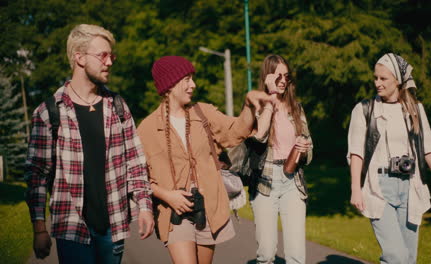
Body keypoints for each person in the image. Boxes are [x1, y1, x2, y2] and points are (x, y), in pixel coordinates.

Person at [24, 24, 154, 264]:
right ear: (79, 57)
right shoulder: (49, 112)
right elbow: (37, 175)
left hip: (113, 228)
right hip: (72, 230)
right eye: (102, 55)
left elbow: (135, 163)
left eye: (111, 55)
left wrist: (145, 206)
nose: (110, 62)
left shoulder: (118, 107)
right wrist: (39, 228)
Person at [137, 55, 276, 264]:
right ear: (170, 84)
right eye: (187, 79)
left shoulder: (203, 113)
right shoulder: (146, 129)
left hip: (208, 207)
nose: (193, 85)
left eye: (192, 78)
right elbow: (139, 178)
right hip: (174, 212)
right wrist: (167, 196)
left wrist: (248, 105)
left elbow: (236, 131)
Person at [347, 53, 431, 264]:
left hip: (410, 186)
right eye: (375, 78)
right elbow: (356, 152)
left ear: (398, 80)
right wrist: (355, 188)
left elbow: (428, 148)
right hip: (378, 186)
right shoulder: (364, 110)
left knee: (409, 258)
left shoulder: (415, 109)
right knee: (396, 256)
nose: (377, 83)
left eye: (383, 78)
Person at [248, 54, 313, 264]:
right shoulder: (256, 104)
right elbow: (259, 136)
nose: (283, 80)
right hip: (265, 182)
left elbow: (310, 150)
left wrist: (304, 148)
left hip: (292, 181)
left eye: (286, 76)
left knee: (296, 255)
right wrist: (271, 96)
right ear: (268, 77)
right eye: (278, 77)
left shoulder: (296, 108)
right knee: (266, 254)